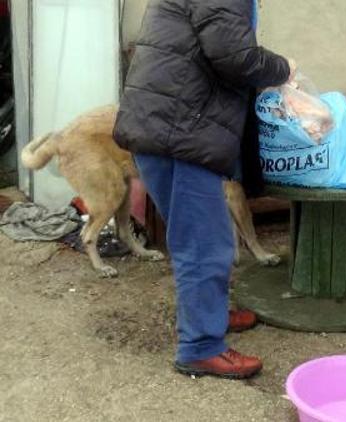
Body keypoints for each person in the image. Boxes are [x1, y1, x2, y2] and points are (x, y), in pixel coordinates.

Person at [113, 0, 293, 379]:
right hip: (180, 130)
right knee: (205, 245)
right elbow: (234, 56)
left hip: (168, 123)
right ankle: (200, 347)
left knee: (196, 237)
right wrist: (283, 67)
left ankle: (211, 315)